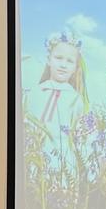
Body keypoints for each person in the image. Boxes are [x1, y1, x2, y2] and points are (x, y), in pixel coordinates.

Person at [25, 28, 88, 173]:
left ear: (75, 68)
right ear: (49, 59)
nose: (63, 65)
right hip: (33, 155)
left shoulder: (75, 99)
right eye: (58, 58)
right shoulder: (35, 93)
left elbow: (80, 137)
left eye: (69, 61)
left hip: (63, 160)